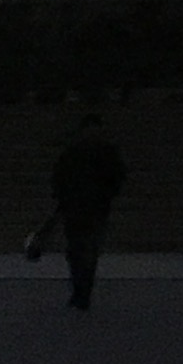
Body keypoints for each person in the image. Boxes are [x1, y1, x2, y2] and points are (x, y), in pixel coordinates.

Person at [46, 114, 127, 312]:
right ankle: (81, 291)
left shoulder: (77, 153)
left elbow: (59, 177)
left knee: (84, 251)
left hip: (87, 208)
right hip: (84, 208)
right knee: (80, 252)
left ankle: (81, 292)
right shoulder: (91, 153)